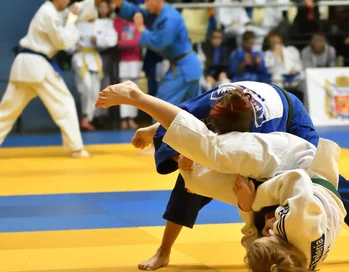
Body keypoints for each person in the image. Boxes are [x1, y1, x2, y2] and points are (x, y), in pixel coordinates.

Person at [130, 80, 349, 271]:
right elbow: (180, 120)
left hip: (290, 122)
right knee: (190, 178)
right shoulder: (211, 105)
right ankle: (164, 251)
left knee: (325, 183)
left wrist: (250, 204)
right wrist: (173, 147)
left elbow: (291, 185)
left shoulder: (262, 139)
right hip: (246, 114)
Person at [97, 83, 344, 272]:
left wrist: (248, 207)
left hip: (278, 182)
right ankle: (137, 97)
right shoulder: (303, 226)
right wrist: (256, 200)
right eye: (270, 234)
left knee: (195, 180)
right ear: (285, 247)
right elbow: (298, 180)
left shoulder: (275, 257)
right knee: (213, 151)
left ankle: (174, 146)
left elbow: (251, 231)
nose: (265, 231)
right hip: (297, 162)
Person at [0, 0, 101, 157]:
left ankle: (75, 146)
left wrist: (74, 13)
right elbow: (62, 41)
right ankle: (76, 148)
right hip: (36, 66)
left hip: (25, 65)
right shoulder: (48, 13)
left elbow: (69, 14)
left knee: (7, 111)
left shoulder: (52, 12)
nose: (68, 1)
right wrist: (72, 20)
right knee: (64, 103)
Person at [111, 0, 202, 107]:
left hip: (184, 69)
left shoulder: (170, 17)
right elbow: (139, 13)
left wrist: (141, 29)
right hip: (186, 67)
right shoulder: (159, 13)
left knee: (162, 105)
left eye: (148, 1)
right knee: (193, 109)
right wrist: (121, 5)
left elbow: (160, 42)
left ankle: (161, 124)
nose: (146, 4)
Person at [72, 0, 118, 131]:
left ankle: (87, 119)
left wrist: (97, 40)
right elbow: (67, 40)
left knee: (95, 90)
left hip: (94, 57)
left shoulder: (105, 23)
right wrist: (74, 48)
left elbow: (112, 40)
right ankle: (85, 116)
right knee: (85, 87)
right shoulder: (77, 24)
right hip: (81, 58)